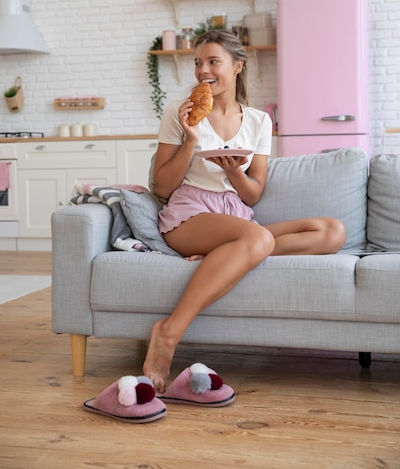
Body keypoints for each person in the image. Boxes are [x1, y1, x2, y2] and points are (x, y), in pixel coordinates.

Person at [143, 29, 345, 393]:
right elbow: (162, 186)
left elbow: (252, 196)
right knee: (257, 237)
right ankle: (169, 332)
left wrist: (234, 169)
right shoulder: (180, 112)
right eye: (198, 62)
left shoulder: (258, 121)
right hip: (190, 212)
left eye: (213, 61)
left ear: (237, 66)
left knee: (332, 232)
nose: (203, 69)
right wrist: (190, 139)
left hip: (236, 217)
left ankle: (224, 253)